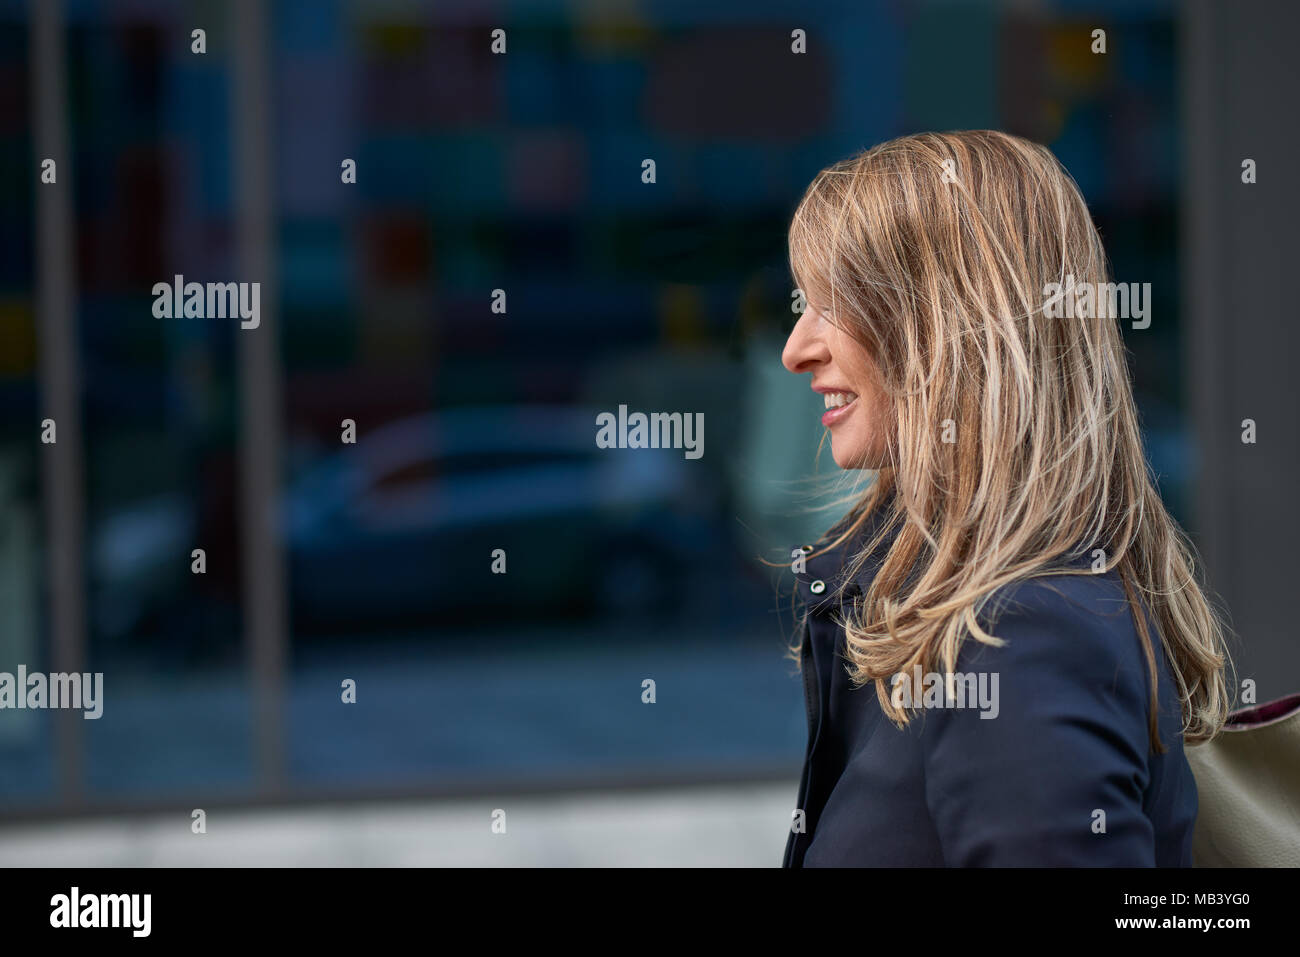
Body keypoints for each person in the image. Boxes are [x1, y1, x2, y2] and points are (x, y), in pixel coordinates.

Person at [779, 130, 1230, 866]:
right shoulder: (991, 615)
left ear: (955, 324)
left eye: (836, 301)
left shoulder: (1022, 633)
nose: (798, 348)